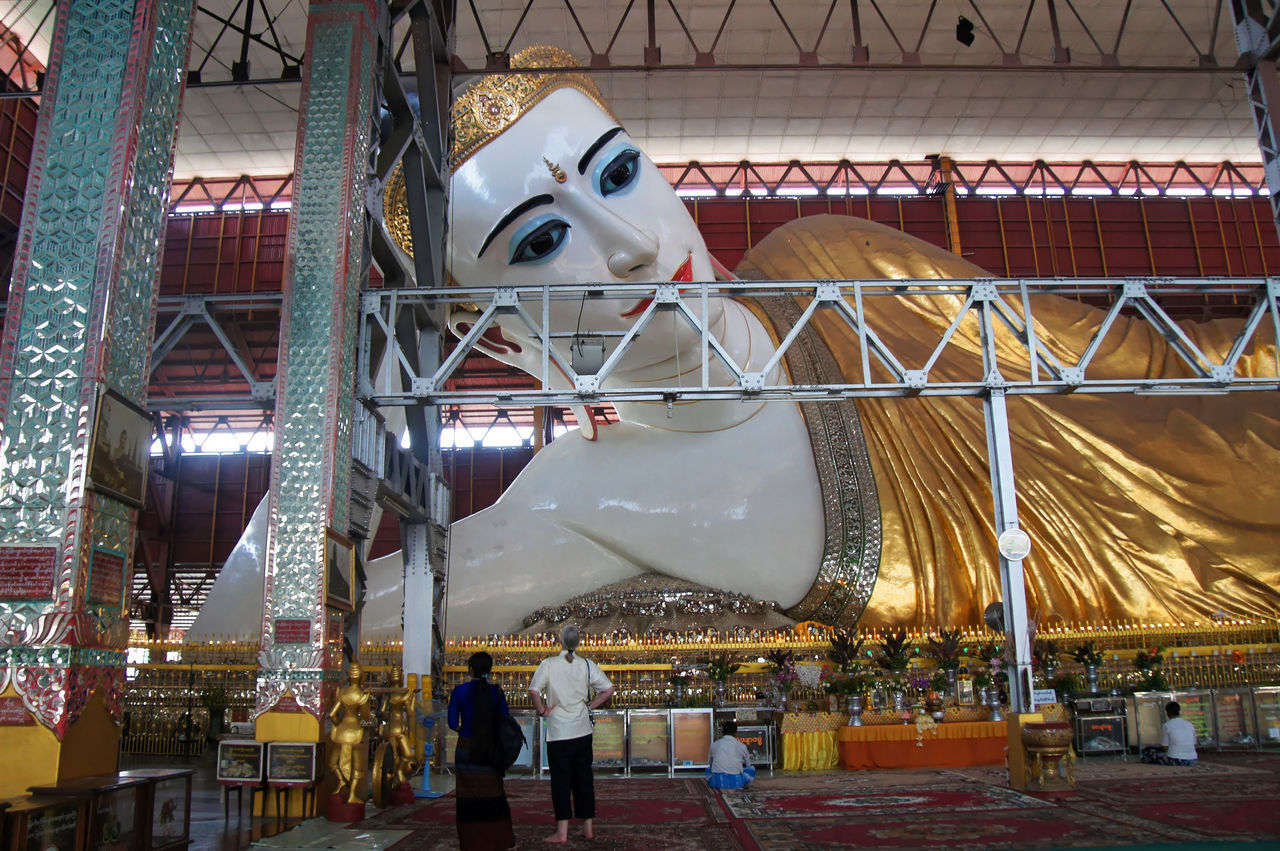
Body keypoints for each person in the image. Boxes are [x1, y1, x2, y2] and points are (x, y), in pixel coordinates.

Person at [385, 45, 1280, 635]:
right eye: (543, 240)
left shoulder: (828, 265)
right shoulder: (566, 503)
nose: (633, 244)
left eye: (620, 174)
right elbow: (265, 612)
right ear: (492, 335)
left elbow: (1138, 363)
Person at [528, 624, 615, 843]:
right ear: (578, 643)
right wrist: (590, 707)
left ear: (560, 642)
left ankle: (562, 831)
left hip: (558, 732)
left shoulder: (548, 664)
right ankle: (588, 828)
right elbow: (608, 689)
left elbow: (534, 690)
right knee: (584, 778)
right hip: (582, 729)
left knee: (561, 781)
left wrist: (542, 711)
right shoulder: (586, 664)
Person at [447, 651, 516, 850]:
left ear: (470, 669)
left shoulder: (460, 691)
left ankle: (471, 842)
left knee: (467, 798)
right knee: (494, 796)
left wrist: (464, 730)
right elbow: (504, 720)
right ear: (489, 670)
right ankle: (500, 840)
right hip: (489, 748)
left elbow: (453, 723)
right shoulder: (497, 692)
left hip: (467, 749)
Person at [326, 662, 373, 804]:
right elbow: (366, 717)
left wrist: (338, 725)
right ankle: (352, 794)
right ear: (361, 677)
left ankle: (341, 780)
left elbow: (332, 715)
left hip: (341, 730)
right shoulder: (362, 696)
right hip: (355, 732)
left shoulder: (343, 693)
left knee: (333, 763)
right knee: (357, 767)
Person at [1141, 701, 1198, 766]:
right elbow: (1194, 744)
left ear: (1168, 713)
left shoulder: (1167, 725)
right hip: (1193, 758)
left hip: (1176, 759)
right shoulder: (1189, 724)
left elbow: (1165, 747)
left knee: (1149, 752)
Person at [706, 721, 756, 790]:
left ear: (722, 732)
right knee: (751, 769)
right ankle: (743, 784)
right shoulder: (742, 746)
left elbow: (709, 763)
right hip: (737, 782)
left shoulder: (714, 744)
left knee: (708, 770)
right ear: (736, 733)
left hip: (717, 782)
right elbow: (748, 765)